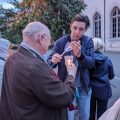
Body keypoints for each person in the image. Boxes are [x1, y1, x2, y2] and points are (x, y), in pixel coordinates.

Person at [0, 21, 77, 120]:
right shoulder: (35, 67)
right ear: (41, 38)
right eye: (49, 40)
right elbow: (65, 96)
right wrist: (71, 74)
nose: (50, 43)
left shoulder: (13, 57)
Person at [48, 14, 95, 120]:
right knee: (67, 116)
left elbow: (91, 64)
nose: (77, 32)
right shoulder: (61, 42)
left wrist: (80, 55)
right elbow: (49, 62)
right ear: (70, 26)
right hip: (66, 86)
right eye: (75, 28)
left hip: (83, 87)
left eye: (81, 29)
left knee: (84, 116)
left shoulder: (88, 42)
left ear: (85, 29)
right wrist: (53, 60)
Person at [89, 38, 115, 120]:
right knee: (102, 113)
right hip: (103, 90)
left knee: (90, 112)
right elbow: (111, 76)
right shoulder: (107, 60)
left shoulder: (88, 60)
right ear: (101, 47)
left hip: (90, 89)